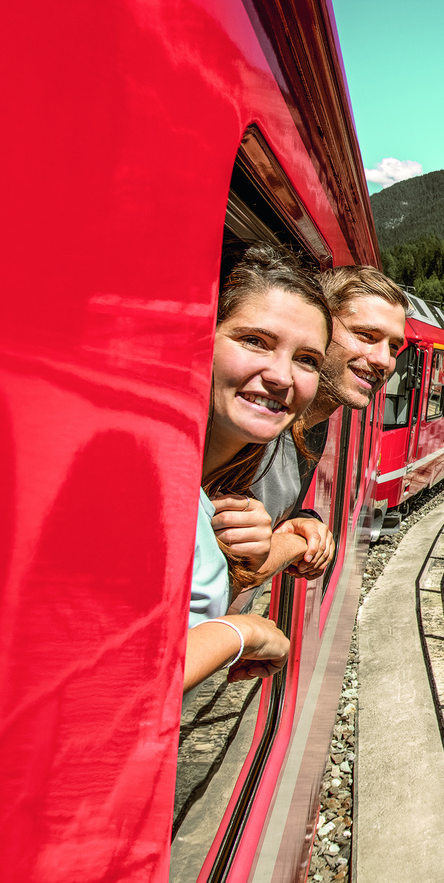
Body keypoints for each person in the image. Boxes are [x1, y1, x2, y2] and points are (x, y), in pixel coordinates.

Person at [185, 245, 332, 692]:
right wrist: (242, 633)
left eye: (306, 360)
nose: (282, 376)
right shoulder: (138, 478)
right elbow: (115, 679)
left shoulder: (219, 492)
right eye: (254, 341)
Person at [248, 265, 409, 580]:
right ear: (318, 327)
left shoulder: (316, 423)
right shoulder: (257, 425)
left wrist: (301, 521)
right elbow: (225, 564)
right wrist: (294, 545)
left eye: (393, 347)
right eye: (366, 336)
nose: (383, 360)